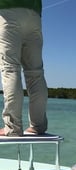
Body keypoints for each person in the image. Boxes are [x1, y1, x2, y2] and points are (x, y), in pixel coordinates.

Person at [0, 0, 47, 136]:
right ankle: (38, 126)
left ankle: (13, 127)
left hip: (8, 11)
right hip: (34, 15)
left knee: (10, 69)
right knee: (36, 73)